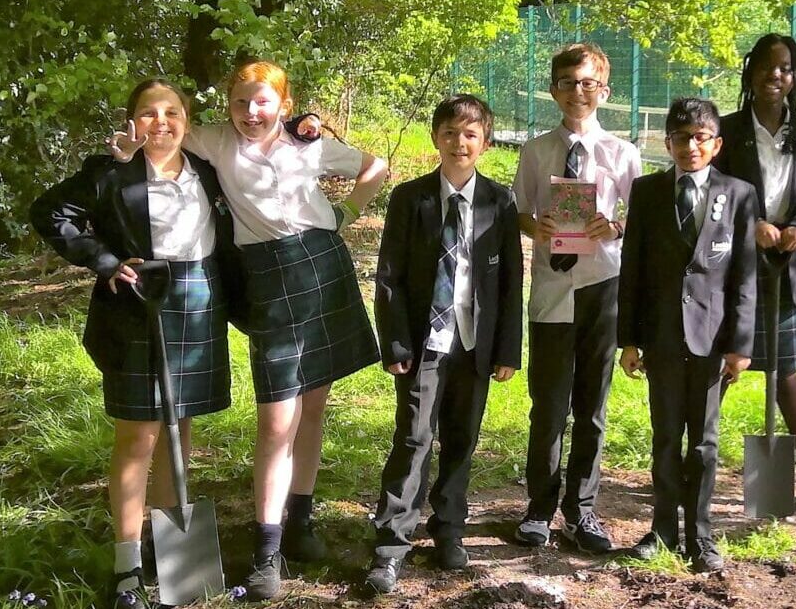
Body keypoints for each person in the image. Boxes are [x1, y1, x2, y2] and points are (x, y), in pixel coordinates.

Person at [111, 61, 389, 599]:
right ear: (228, 107)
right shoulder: (216, 142)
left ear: (283, 105)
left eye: (263, 102)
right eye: (241, 102)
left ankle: (300, 521)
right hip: (267, 276)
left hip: (321, 263)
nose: (250, 112)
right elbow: (164, 126)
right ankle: (267, 551)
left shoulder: (308, 146)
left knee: (312, 405)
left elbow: (375, 166)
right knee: (276, 416)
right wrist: (124, 147)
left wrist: (346, 212)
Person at [33, 79, 242, 606]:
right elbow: (49, 212)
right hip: (136, 305)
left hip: (199, 299)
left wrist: (306, 126)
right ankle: (127, 564)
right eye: (149, 113)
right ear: (131, 122)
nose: (161, 122)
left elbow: (269, 146)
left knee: (180, 428)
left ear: (187, 121)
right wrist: (105, 263)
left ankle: (169, 553)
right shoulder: (112, 172)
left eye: (172, 112)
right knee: (138, 436)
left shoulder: (209, 171)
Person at [365, 94, 524, 595]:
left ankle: (449, 529)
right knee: (414, 437)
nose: (460, 143)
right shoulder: (411, 198)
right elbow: (388, 275)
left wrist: (506, 351)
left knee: (461, 438)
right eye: (450, 133)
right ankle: (392, 541)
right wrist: (394, 342)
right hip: (423, 342)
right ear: (436, 137)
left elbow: (511, 282)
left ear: (487, 143)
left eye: (471, 134)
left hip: (474, 344)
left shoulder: (499, 202)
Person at [616, 98, 757, 574]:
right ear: (667, 143)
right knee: (664, 437)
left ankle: (701, 535)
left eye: (700, 137)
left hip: (712, 341)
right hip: (660, 338)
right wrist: (629, 340)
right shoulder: (647, 191)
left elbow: (744, 276)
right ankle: (661, 530)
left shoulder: (738, 194)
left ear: (716, 144)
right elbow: (631, 268)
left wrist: (740, 345)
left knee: (705, 443)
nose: (690, 146)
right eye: (681, 137)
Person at [512, 43, 641, 552]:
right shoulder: (536, 151)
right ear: (553, 90)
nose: (578, 92)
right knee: (547, 406)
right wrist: (535, 226)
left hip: (601, 287)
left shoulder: (622, 154)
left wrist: (615, 227)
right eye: (568, 82)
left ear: (604, 92)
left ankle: (582, 512)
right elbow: (519, 211)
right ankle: (538, 509)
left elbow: (640, 218)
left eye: (588, 83)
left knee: (591, 407)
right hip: (550, 289)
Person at [715, 33, 796, 511]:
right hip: (733, 269)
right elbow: (715, 191)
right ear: (750, 73)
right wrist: (753, 225)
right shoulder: (726, 131)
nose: (776, 75)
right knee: (722, 366)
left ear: (795, 77)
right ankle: (691, 463)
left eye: (785, 68)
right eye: (766, 66)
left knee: (786, 370)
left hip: (790, 269)